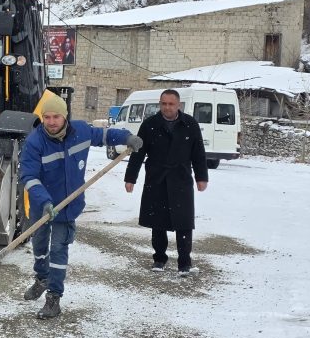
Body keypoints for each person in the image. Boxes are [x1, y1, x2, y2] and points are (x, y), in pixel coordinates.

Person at [20, 94, 142, 319]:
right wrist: (45, 201)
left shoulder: (81, 132)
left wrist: (127, 137)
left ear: (64, 117)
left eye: (56, 116)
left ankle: (54, 298)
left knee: (58, 249)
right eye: (47, 117)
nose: (51, 121)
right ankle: (41, 278)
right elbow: (28, 176)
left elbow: (105, 135)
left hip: (67, 206)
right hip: (42, 205)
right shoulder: (35, 142)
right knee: (39, 247)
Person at [124, 89, 208, 277]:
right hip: (157, 179)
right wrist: (131, 178)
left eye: (171, 104)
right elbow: (138, 153)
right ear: (159, 104)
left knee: (184, 223)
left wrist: (201, 177)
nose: (167, 107)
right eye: (164, 103)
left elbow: (199, 154)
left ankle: (184, 262)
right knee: (158, 222)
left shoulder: (190, 125)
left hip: (181, 180)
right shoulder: (150, 125)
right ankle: (159, 259)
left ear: (179, 105)